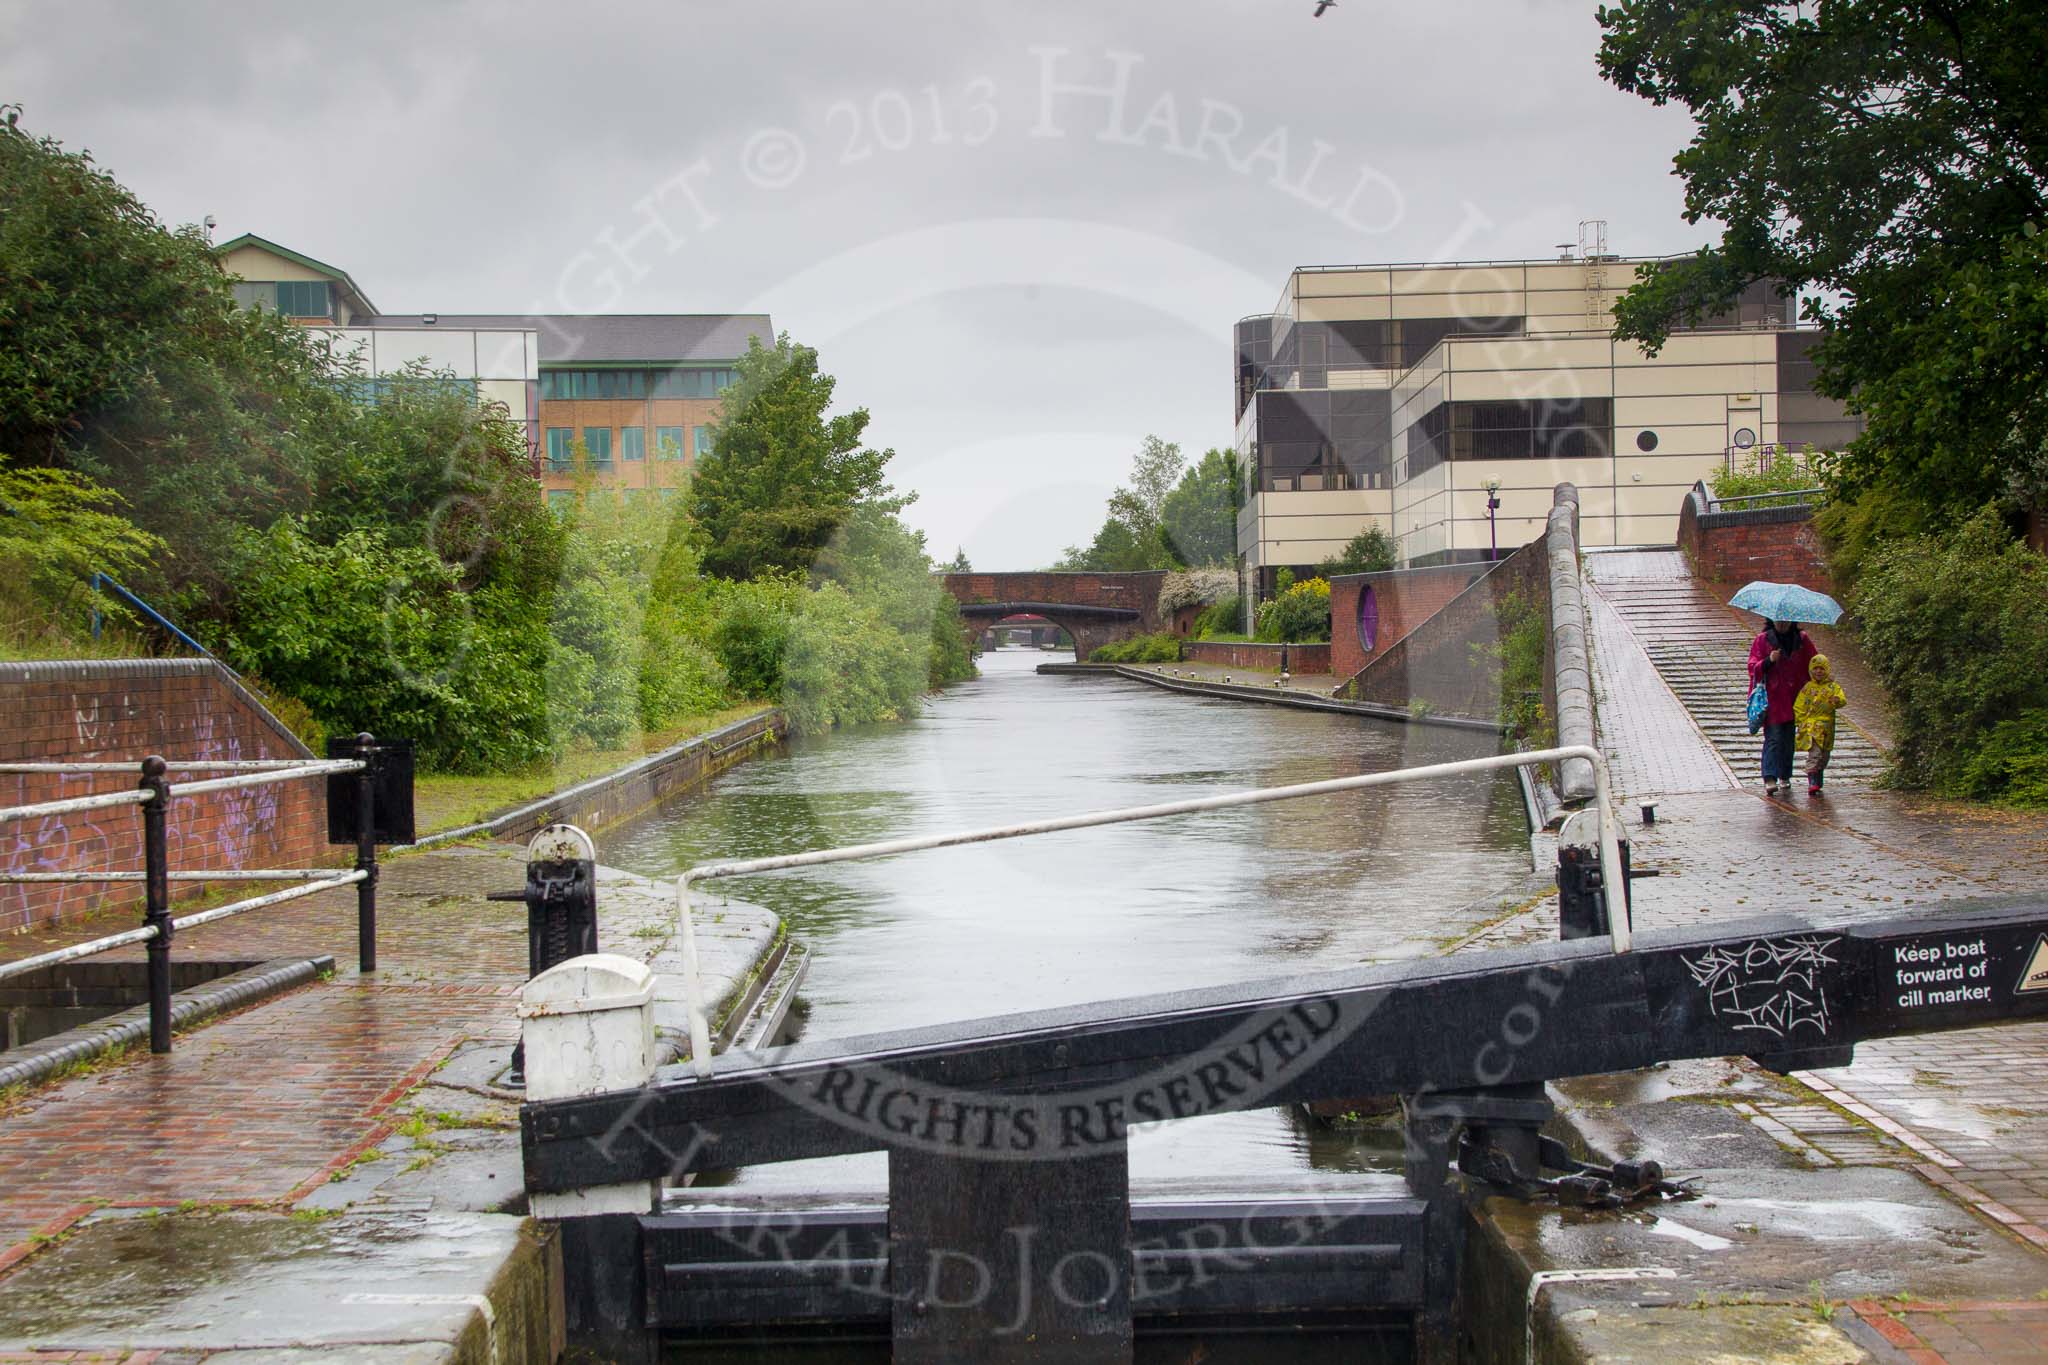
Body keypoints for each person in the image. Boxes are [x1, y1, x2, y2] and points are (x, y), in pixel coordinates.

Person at [1747, 617, 1815, 796]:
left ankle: (1785, 774)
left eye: (1786, 621)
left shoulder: (1802, 639)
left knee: (1788, 738)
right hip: (1774, 698)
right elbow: (1753, 667)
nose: (1782, 624)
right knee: (1774, 737)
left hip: (1795, 697)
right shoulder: (1763, 640)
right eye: (1779, 621)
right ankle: (1769, 776)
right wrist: (1768, 661)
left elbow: (1813, 662)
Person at [1795, 655, 1848, 796]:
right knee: (1815, 753)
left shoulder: (1833, 687)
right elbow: (1799, 706)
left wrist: (1837, 700)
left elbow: (1842, 700)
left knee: (1824, 755)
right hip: (1812, 726)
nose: (1819, 672)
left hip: (1827, 727)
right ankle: (1812, 780)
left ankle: (1818, 775)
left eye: (1822, 669)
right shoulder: (1807, 688)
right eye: (1816, 669)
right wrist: (1801, 722)